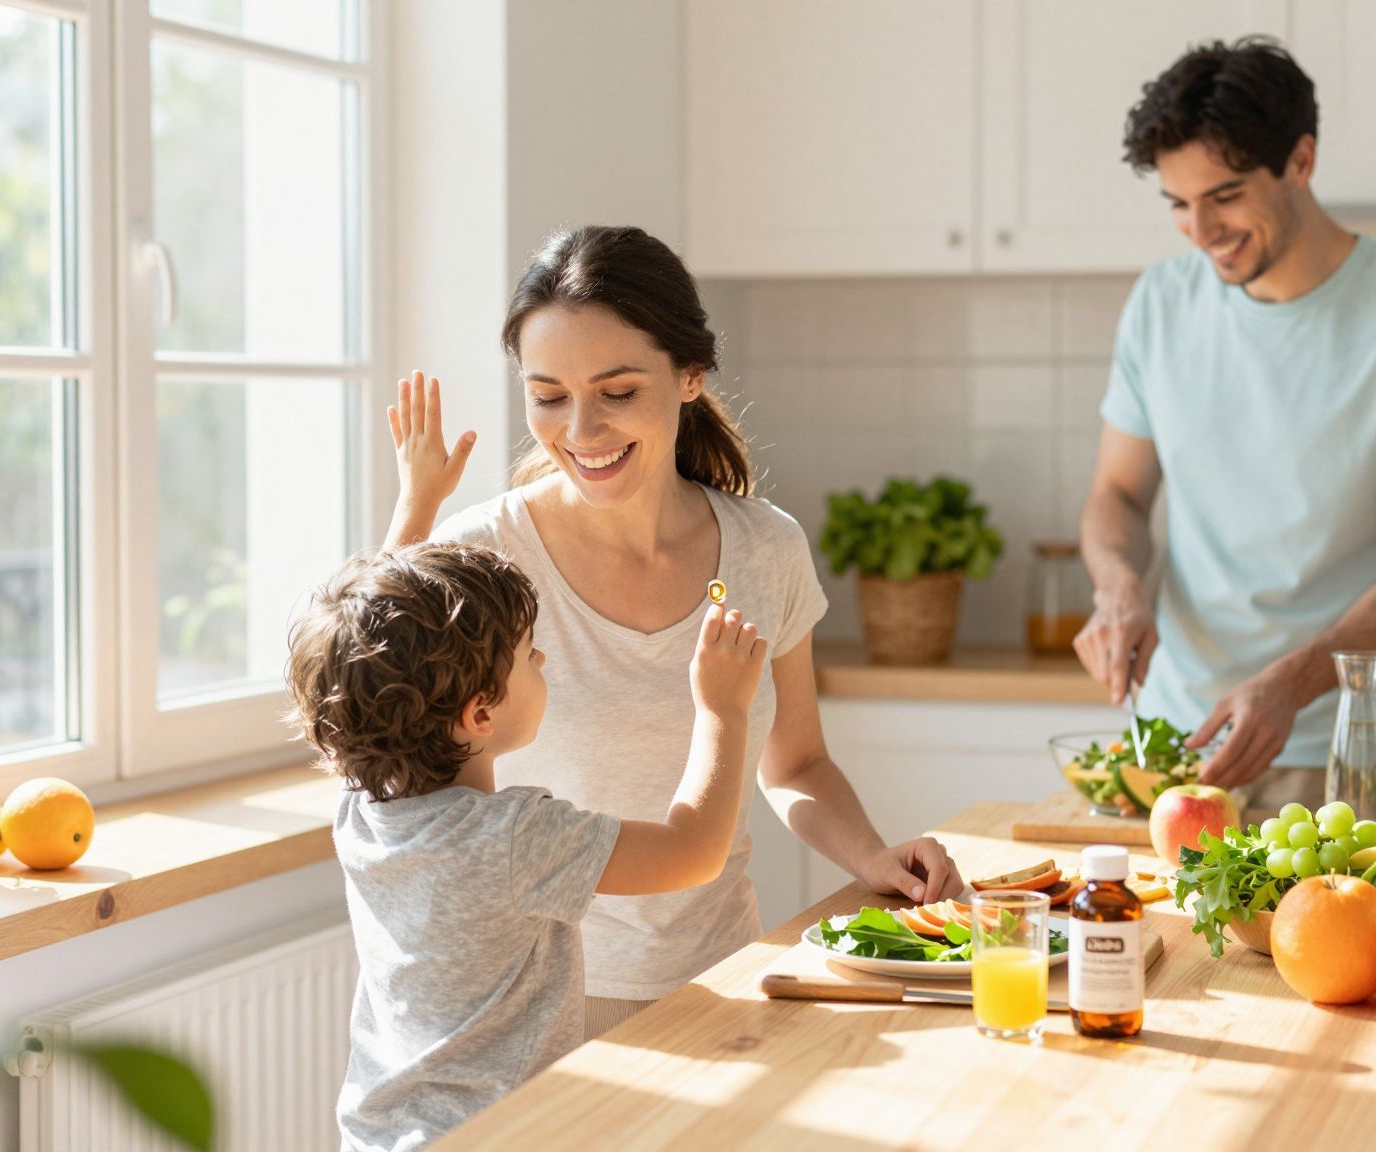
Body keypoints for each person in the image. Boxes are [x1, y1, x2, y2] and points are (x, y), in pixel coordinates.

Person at [384, 225, 965, 1036]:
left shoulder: (767, 549)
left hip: (721, 984)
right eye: (549, 395)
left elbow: (795, 761)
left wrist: (873, 858)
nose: (580, 431)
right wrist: (412, 513)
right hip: (535, 1005)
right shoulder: (485, 559)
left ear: (689, 375)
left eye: (618, 392)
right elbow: (374, 706)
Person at [1075, 38, 1376, 806]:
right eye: (1178, 203)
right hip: (1174, 745)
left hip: (1340, 752)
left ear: (1300, 161)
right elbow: (1118, 496)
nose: (1200, 230)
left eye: (1225, 195)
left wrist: (1291, 684)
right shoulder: (1160, 306)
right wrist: (1118, 588)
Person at [285, 542, 768, 1150]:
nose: (540, 656)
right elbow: (693, 853)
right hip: (499, 1134)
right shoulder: (515, 837)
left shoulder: (361, 809)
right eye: (528, 656)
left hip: (381, 1132)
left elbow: (363, 660)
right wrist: (723, 708)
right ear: (480, 714)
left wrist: (416, 500)